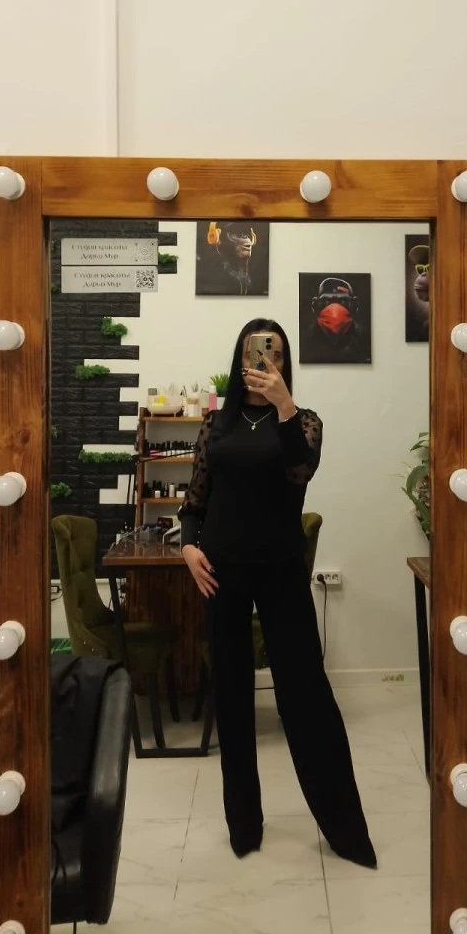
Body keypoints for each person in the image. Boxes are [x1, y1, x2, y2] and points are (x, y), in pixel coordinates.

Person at [179, 318, 377, 867]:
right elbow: (195, 501)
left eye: (277, 354)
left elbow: (299, 472)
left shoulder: (304, 421)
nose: (266, 361)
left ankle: (345, 832)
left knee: (307, 696)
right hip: (220, 573)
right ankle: (244, 828)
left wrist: (284, 405)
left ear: (287, 363)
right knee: (231, 697)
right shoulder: (215, 425)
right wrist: (189, 546)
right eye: (256, 351)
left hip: (282, 572)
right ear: (239, 357)